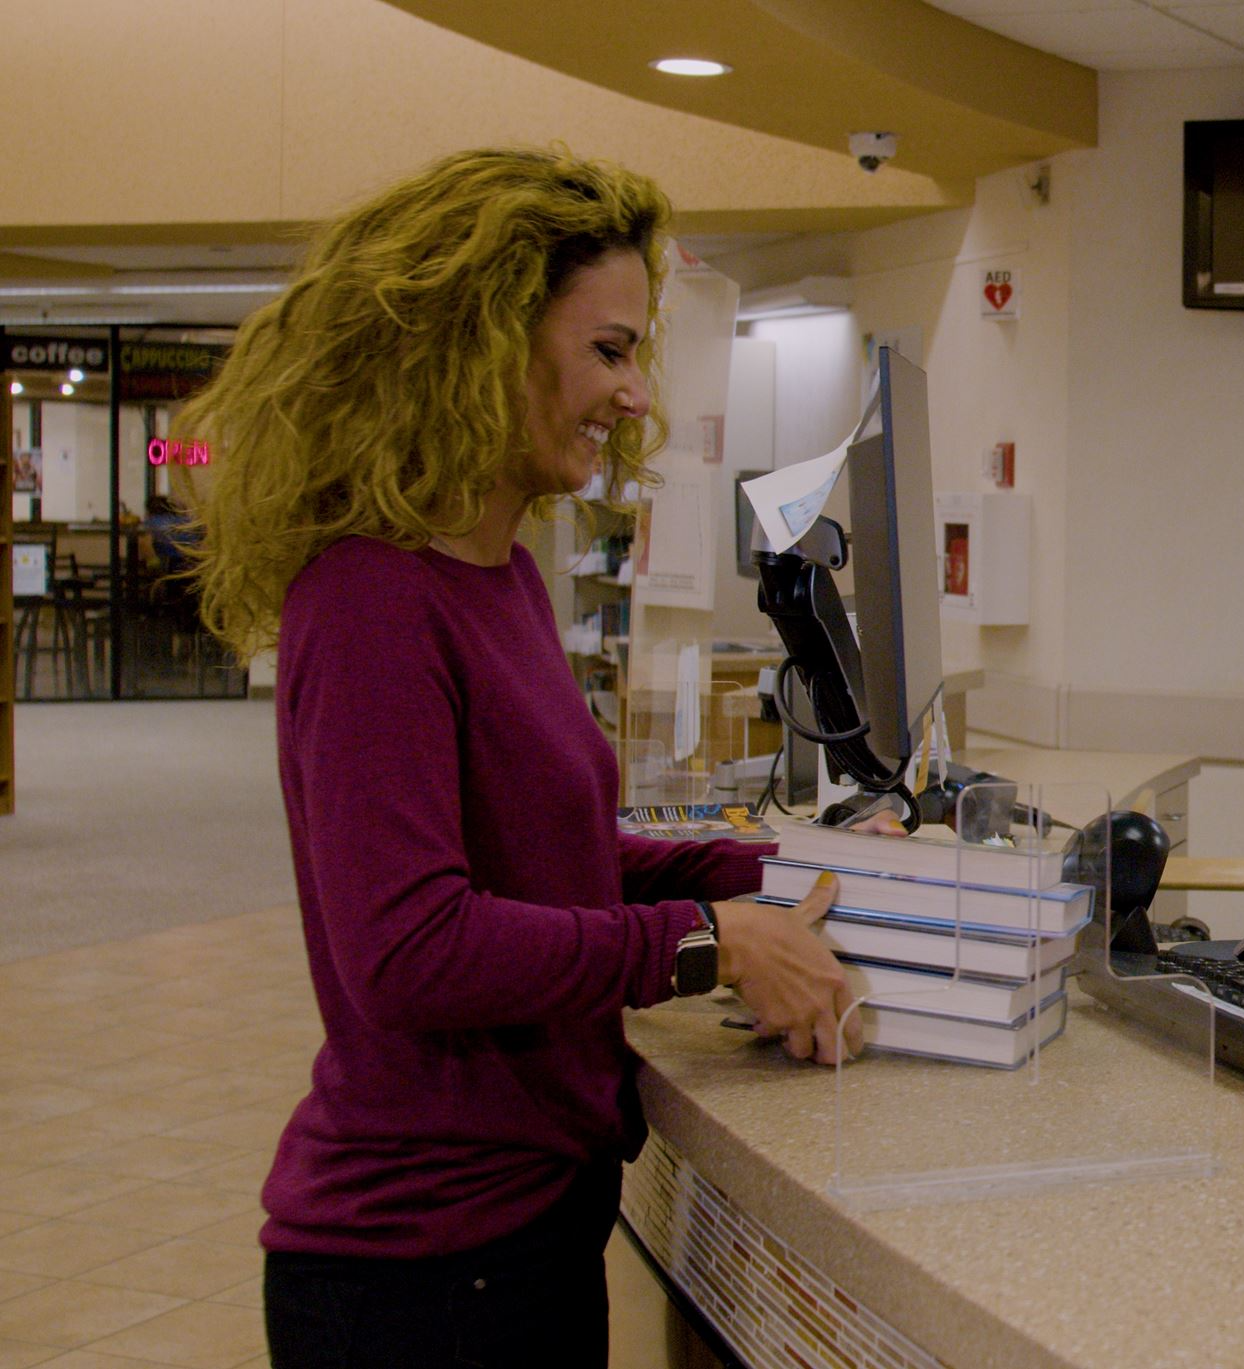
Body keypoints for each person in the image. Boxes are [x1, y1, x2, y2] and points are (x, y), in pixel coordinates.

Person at [174, 147, 860, 1367]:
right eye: (608, 351)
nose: (636, 395)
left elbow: (551, 860)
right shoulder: (372, 600)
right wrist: (704, 945)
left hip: (524, 1225)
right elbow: (412, 947)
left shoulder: (501, 575)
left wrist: (772, 868)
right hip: (421, 1273)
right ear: (479, 350)